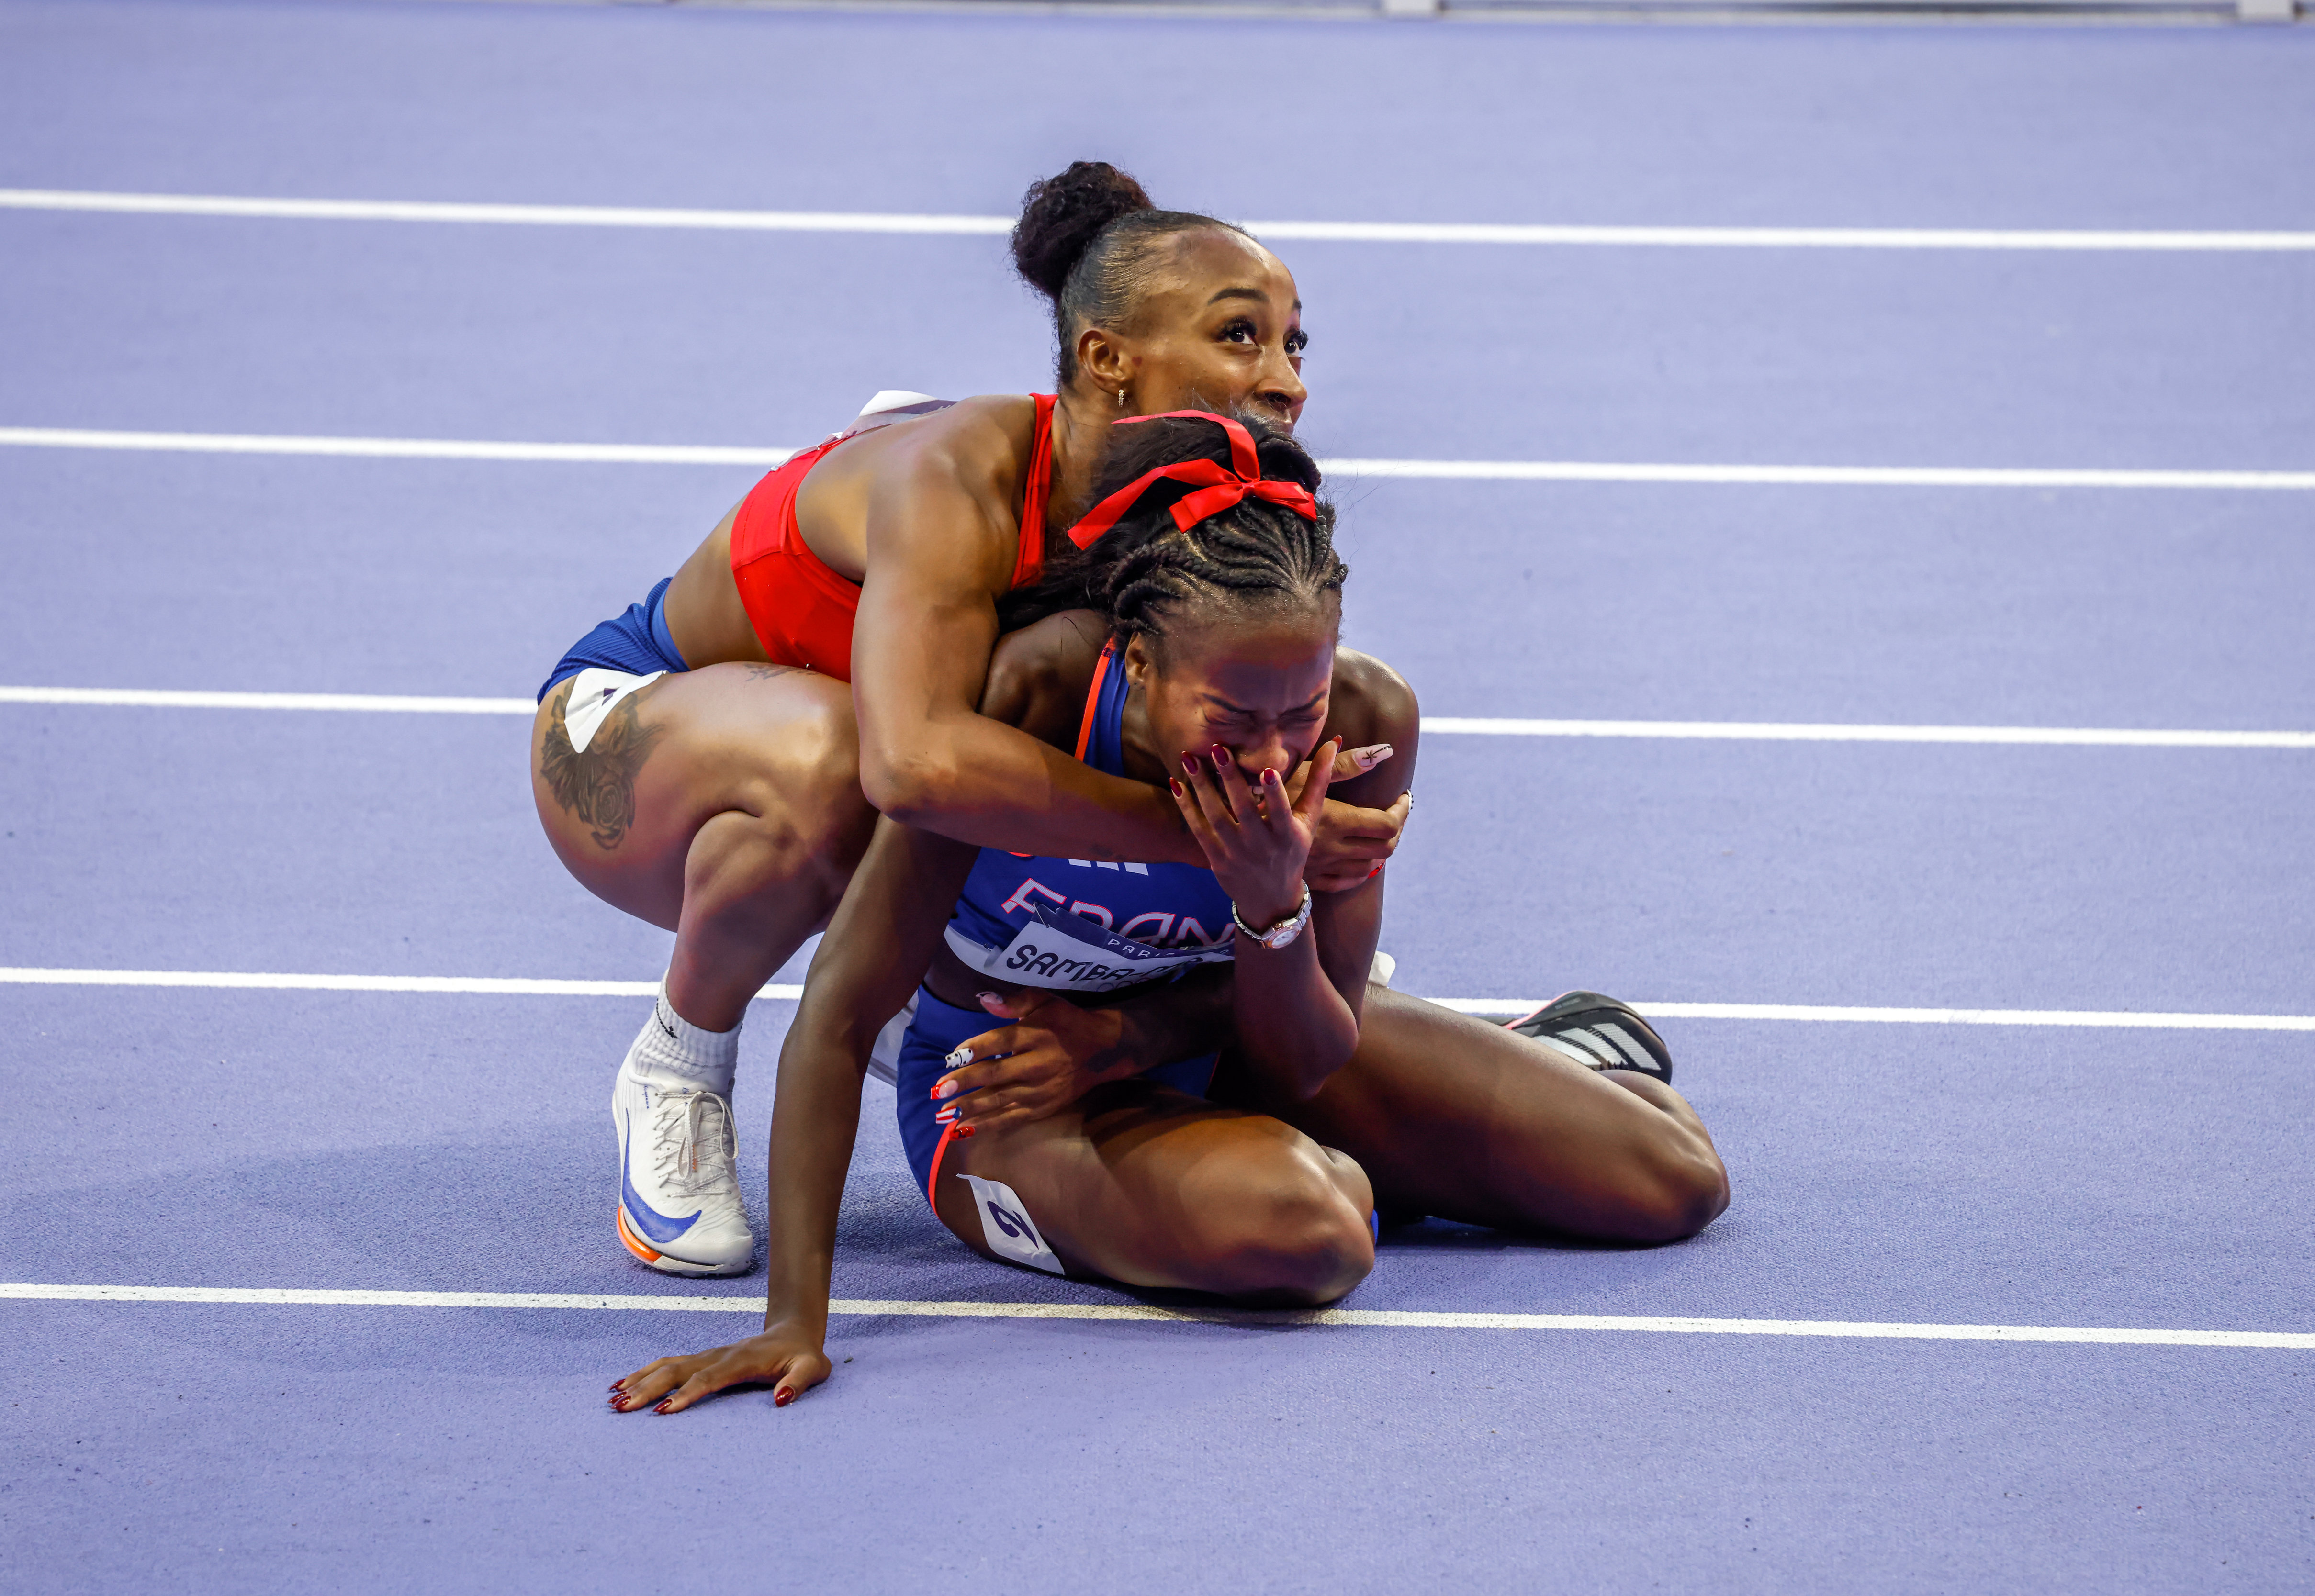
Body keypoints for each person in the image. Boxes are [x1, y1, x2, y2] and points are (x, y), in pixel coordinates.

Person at [608, 413, 1731, 1415]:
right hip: (1005, 1090)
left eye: (1301, 705)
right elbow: (840, 1017)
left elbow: (1305, 1057)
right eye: (1234, 715)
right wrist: (793, 1320)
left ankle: (1471, 1081)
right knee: (1312, 1228)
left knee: (1674, 1181)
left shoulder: (1367, 723)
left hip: (1235, 1046)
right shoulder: (1033, 701)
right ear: (1137, 660)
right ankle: (1451, 1100)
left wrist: (1262, 911)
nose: (1275, 752)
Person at [527, 163, 1410, 1277]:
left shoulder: (1172, 523)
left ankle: (934, 997)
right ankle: (680, 1057)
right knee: (854, 759)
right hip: (630, 735)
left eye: (1294, 346)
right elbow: (912, 769)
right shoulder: (961, 476)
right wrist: (1231, 847)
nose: (1282, 382)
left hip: (838, 755)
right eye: (1241, 339)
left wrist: (1278, 918)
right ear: (1107, 358)